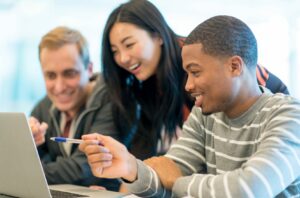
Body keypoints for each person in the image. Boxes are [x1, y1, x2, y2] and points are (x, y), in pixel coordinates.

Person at [79, 15, 300, 197]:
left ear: (234, 66)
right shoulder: (205, 114)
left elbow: (250, 190)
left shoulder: (289, 116)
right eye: (186, 73)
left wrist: (178, 181)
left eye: (195, 72)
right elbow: (166, 180)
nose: (188, 85)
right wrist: (130, 167)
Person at [100, 0, 289, 161]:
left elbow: (253, 87)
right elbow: (149, 150)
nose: (123, 58)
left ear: (157, 36)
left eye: (129, 44)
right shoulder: (145, 82)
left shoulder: (198, 59)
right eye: (115, 51)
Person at [29, 26, 120, 190]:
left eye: (69, 73)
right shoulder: (43, 107)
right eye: (50, 75)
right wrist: (30, 144)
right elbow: (27, 161)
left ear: (89, 69)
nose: (59, 87)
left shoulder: (112, 100)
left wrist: (28, 173)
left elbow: (84, 169)